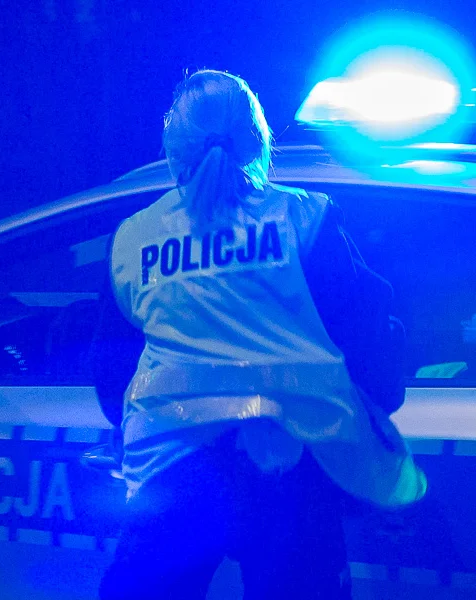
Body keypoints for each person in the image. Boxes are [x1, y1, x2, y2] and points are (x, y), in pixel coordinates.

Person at [91, 70, 426, 600]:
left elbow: (110, 368)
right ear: (258, 138)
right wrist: (374, 409)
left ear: (173, 147)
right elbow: (369, 336)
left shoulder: (134, 238)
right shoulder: (305, 218)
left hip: (173, 471)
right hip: (293, 468)